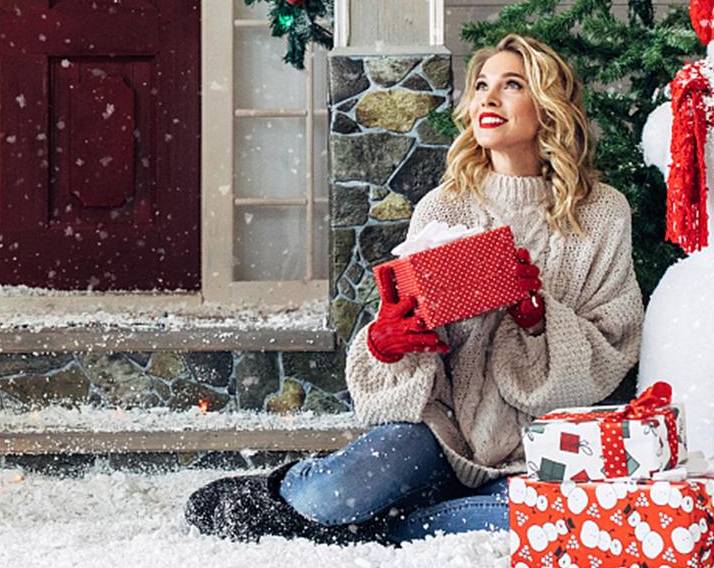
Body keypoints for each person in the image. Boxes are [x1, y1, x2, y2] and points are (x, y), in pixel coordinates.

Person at [185, 34, 644, 545]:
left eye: (511, 85)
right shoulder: (442, 208)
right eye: (480, 86)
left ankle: (378, 530)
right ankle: (294, 494)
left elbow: (613, 346)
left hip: (542, 451)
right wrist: (390, 343)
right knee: (334, 495)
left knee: (543, 527)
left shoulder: (601, 212)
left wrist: (538, 320)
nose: (486, 100)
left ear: (549, 106)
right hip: (439, 434)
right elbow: (408, 343)